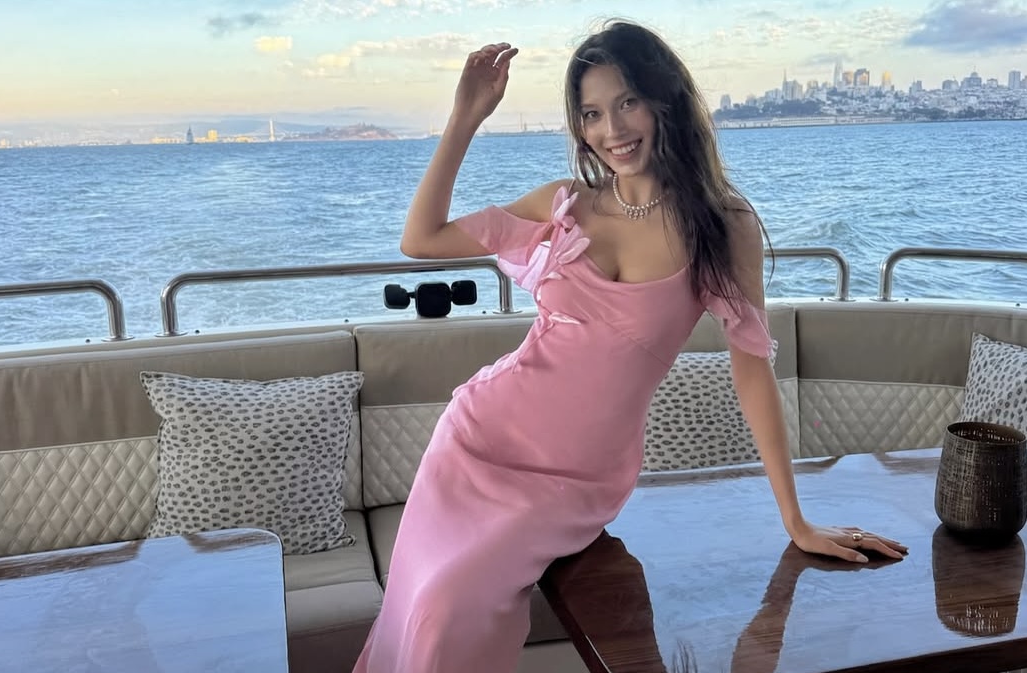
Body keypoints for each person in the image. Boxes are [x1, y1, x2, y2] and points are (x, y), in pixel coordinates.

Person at [352, 19, 908, 673]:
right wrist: (465, 117)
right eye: (592, 113)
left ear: (664, 98)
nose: (611, 129)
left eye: (627, 102)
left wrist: (795, 518)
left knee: (448, 610)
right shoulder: (563, 205)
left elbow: (752, 370)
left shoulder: (722, 224)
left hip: (574, 479)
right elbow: (420, 239)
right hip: (477, 442)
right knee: (419, 613)